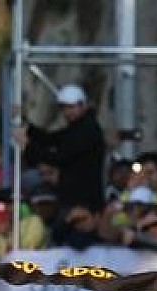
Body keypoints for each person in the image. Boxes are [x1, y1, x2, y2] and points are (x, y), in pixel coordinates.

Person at [16, 83, 106, 212]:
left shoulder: (87, 131)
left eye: (71, 107)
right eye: (64, 108)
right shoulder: (77, 128)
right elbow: (51, 139)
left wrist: (29, 146)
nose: (67, 112)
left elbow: (59, 157)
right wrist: (27, 126)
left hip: (83, 199)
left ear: (83, 105)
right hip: (74, 195)